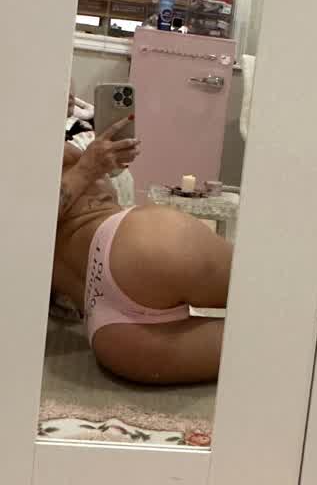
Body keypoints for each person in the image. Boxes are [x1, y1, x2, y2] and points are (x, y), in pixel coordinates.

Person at [52, 103, 233, 385]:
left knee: (273, 342)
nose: (71, 104)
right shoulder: (48, 150)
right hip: (132, 247)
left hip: (106, 325)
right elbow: (26, 222)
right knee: (278, 302)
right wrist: (87, 168)